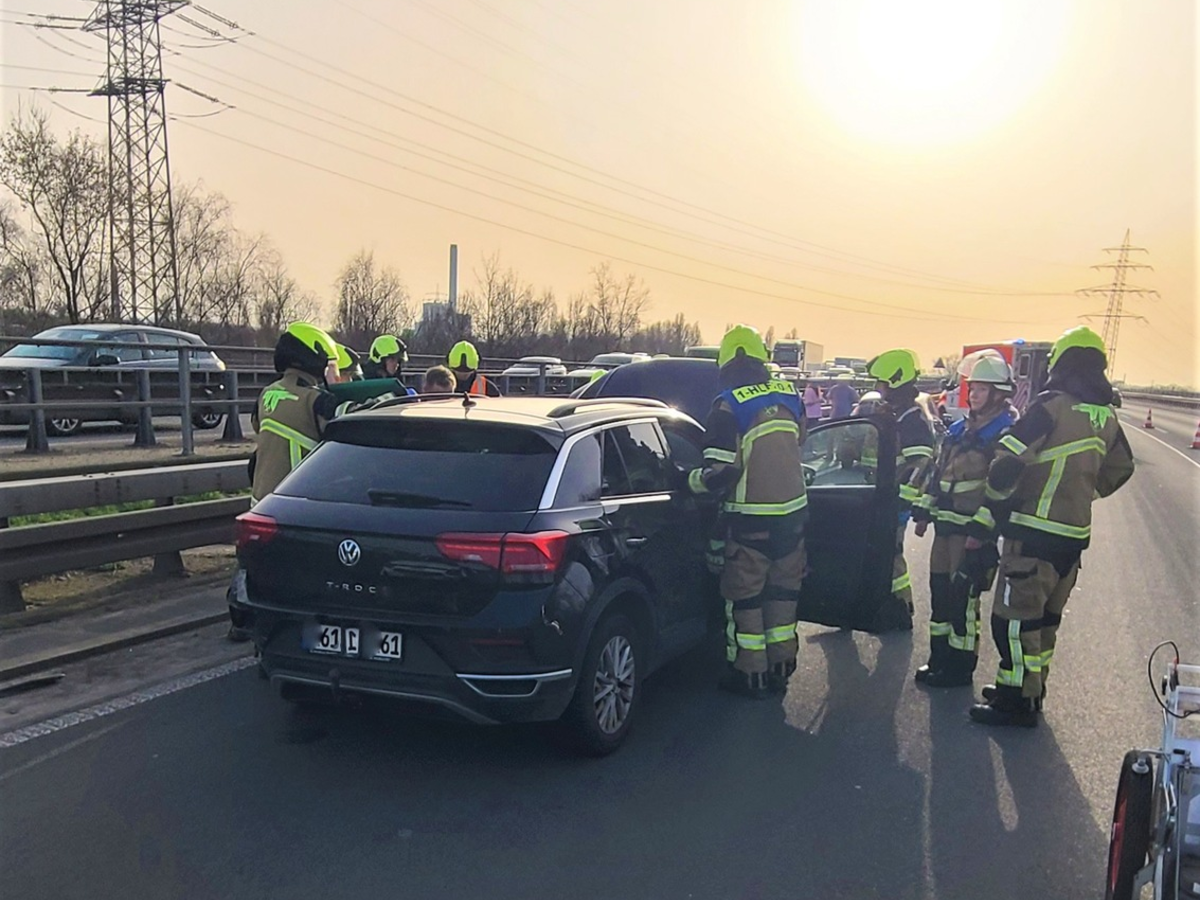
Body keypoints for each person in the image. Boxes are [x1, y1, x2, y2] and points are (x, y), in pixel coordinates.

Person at [969, 326, 1134, 727]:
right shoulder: (1106, 416)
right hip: (1072, 539)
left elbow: (1007, 462)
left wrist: (992, 510)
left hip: (1033, 534)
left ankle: (1015, 702)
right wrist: (1081, 493)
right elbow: (1121, 468)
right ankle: (1031, 689)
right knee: (1044, 622)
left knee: (1012, 621)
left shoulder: (1051, 406)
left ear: (1061, 363)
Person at [688, 325, 808, 698]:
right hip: (794, 516)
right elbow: (801, 446)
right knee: (783, 595)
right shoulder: (790, 396)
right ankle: (781, 667)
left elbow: (720, 473)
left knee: (745, 599)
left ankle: (749, 673)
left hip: (749, 521)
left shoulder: (728, 406)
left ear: (725, 365)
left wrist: (688, 481)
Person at [230, 322, 341, 642]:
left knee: (252, 563)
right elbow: (343, 434)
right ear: (313, 360)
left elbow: (258, 427)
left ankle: (242, 621)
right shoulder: (316, 401)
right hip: (298, 501)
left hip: (261, 498)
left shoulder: (266, 394)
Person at [912, 351, 1016, 687]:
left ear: (999, 394)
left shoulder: (1004, 433)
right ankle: (938, 659)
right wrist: (924, 511)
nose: (974, 395)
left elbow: (1001, 489)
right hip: (945, 528)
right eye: (973, 388)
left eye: (982, 390)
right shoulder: (959, 429)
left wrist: (981, 531)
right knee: (940, 594)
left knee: (963, 602)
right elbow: (939, 472)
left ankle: (959, 668)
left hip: (970, 532)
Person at [866, 348, 936, 631]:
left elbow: (919, 466)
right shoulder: (899, 416)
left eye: (882, 383)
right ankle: (885, 605)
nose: (879, 389)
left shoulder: (912, 421)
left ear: (895, 383)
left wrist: (900, 502)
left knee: (891, 555)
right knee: (885, 554)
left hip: (893, 502)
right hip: (882, 498)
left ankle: (900, 609)